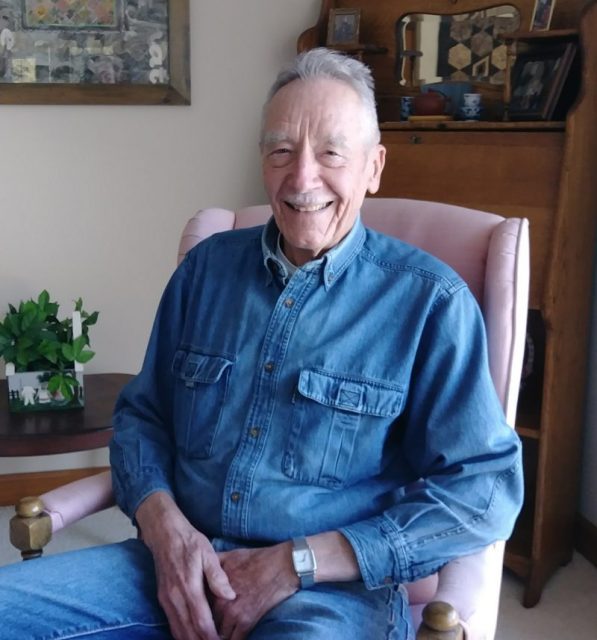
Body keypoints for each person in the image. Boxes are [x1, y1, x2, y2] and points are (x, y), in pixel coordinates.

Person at [0, 48, 523, 640]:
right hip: (170, 564)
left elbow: (482, 489)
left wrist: (299, 561)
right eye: (282, 151)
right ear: (262, 161)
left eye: (331, 152)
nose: (303, 179)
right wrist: (166, 529)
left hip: (330, 596)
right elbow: (142, 418)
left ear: (374, 166)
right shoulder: (204, 272)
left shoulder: (431, 303)